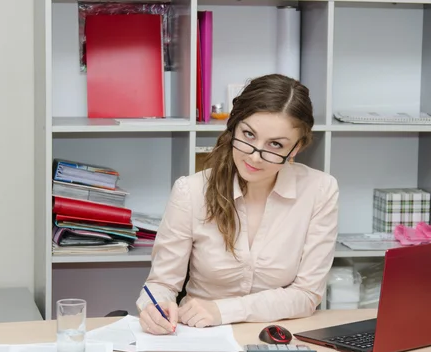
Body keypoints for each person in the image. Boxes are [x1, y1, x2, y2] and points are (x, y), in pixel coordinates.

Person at [136, 73, 339, 335]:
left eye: (275, 144)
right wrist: (156, 306)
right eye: (248, 135)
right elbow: (162, 283)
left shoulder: (320, 190)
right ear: (234, 125)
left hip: (282, 339)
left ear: (296, 148)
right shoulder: (191, 191)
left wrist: (222, 311)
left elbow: (307, 294)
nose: (255, 156)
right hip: (200, 337)